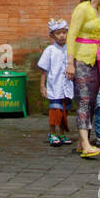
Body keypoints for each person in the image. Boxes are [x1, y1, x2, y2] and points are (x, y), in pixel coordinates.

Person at [64, 0, 100, 159]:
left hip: (96, 59)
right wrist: (70, 62)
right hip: (81, 59)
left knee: (92, 100)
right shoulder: (82, 9)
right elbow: (72, 36)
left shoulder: (98, 9)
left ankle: (82, 140)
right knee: (84, 99)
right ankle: (86, 143)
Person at [37, 18, 75, 146]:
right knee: (55, 111)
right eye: (58, 33)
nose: (62, 36)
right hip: (54, 86)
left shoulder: (70, 49)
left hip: (67, 86)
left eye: (64, 32)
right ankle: (52, 133)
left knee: (64, 111)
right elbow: (44, 70)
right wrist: (42, 86)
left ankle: (62, 134)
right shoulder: (50, 50)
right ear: (52, 35)